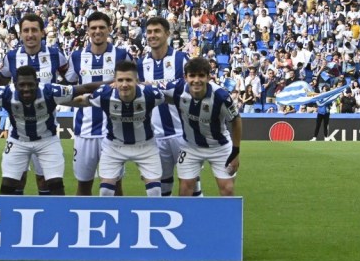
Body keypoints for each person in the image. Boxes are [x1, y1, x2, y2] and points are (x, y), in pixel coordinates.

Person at [0, 65, 98, 196]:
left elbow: (84, 88)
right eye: (22, 85)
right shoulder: (5, 92)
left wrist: (109, 84)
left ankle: (59, 215)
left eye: (30, 84)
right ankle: (6, 216)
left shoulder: (50, 91)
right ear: (15, 84)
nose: (26, 88)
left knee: (56, 185)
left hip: (47, 141)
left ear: (37, 83)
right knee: (7, 186)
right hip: (18, 141)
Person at [0, 13, 66, 194]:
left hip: (46, 128)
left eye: (34, 30)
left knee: (44, 180)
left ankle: (46, 212)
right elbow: (2, 81)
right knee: (17, 179)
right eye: (26, 30)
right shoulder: (11, 57)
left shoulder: (55, 55)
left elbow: (69, 79)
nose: (30, 35)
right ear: (20, 34)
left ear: (42, 32)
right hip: (18, 129)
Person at [64, 11, 128, 195]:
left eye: (101, 27)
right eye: (93, 28)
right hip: (84, 131)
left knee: (115, 185)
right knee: (83, 185)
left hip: (113, 131)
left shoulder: (121, 55)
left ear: (109, 29)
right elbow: (69, 85)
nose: (97, 31)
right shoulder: (77, 56)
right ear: (88, 30)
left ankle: (117, 215)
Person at [160, 57, 242, 197]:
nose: (196, 80)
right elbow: (152, 90)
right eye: (192, 75)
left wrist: (235, 152)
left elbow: (236, 120)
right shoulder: (177, 89)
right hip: (190, 146)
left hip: (220, 147)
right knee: (185, 190)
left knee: (227, 190)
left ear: (209, 77)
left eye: (201, 75)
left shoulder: (221, 96)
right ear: (185, 77)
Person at [137, 15, 199, 196]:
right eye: (149, 32)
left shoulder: (182, 59)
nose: (152, 35)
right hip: (155, 137)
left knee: (192, 186)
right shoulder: (141, 64)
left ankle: (195, 215)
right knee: (161, 188)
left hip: (184, 134)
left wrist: (155, 87)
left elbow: (193, 90)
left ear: (167, 33)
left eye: (157, 31)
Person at [85, 61, 166, 197]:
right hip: (114, 146)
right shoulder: (104, 94)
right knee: (105, 192)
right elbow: (81, 101)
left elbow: (173, 98)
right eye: (120, 80)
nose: (124, 84)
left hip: (145, 146)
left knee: (155, 192)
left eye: (128, 80)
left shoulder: (151, 94)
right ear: (114, 81)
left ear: (136, 81)